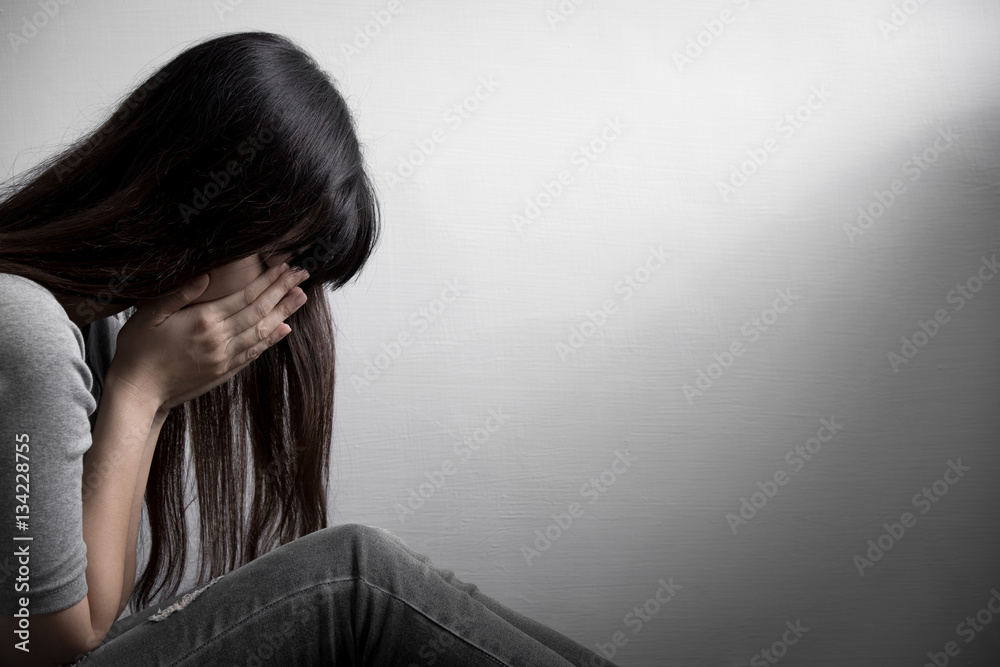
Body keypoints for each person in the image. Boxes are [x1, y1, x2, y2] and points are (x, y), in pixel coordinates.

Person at [0, 31, 617, 667]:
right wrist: (142, 392)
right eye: (273, 258)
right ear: (186, 201)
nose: (283, 299)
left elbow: (89, 616)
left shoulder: (97, 328)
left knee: (430, 597)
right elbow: (42, 640)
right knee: (357, 578)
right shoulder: (26, 328)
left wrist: (150, 394)